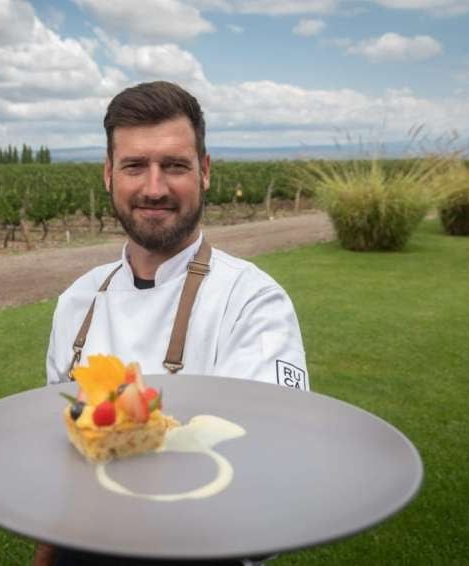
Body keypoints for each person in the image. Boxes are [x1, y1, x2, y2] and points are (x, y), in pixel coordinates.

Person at [37, 81, 309, 566]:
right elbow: (67, 456)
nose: (154, 188)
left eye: (175, 165)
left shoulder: (252, 303)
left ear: (204, 171)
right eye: (134, 166)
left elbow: (268, 475)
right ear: (109, 174)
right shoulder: (77, 301)